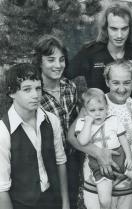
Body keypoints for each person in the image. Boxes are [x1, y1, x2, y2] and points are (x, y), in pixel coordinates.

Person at [67, 60, 132, 209]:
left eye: (127, 83)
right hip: (96, 182)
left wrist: (128, 169)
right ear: (107, 82)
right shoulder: (94, 103)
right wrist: (98, 153)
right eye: (115, 83)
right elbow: (72, 137)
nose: (121, 88)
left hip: (126, 182)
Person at [0, 63, 69, 209]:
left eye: (38, 88)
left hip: (52, 200)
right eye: (27, 89)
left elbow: (60, 161)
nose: (35, 95)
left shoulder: (51, 120)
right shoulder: (3, 131)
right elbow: (2, 189)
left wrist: (65, 203)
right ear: (11, 92)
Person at [66, 2, 132, 101]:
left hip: (130, 110)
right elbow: (63, 75)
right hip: (100, 113)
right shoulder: (90, 52)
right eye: (114, 29)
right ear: (105, 28)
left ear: (130, 28)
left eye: (124, 29)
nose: (119, 35)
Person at [33, 35, 81, 209]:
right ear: (39, 62)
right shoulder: (36, 95)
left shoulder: (70, 87)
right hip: (49, 161)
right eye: (51, 60)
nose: (58, 65)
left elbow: (76, 122)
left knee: (71, 199)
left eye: (61, 60)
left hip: (72, 157)